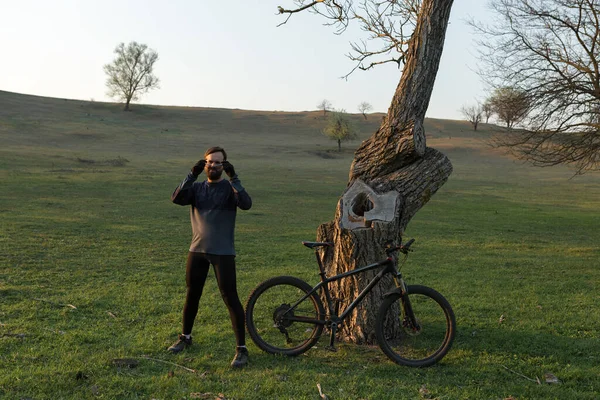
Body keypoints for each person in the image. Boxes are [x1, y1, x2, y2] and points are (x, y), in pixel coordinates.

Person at [168, 146, 252, 368]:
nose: (213, 165)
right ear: (204, 165)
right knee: (192, 295)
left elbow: (246, 204)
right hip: (197, 251)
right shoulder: (196, 188)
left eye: (218, 162)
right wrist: (191, 174)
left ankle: (241, 349)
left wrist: (234, 177)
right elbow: (176, 198)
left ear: (224, 166)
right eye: (209, 162)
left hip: (223, 253)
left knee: (230, 297)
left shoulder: (229, 189)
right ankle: (185, 337)